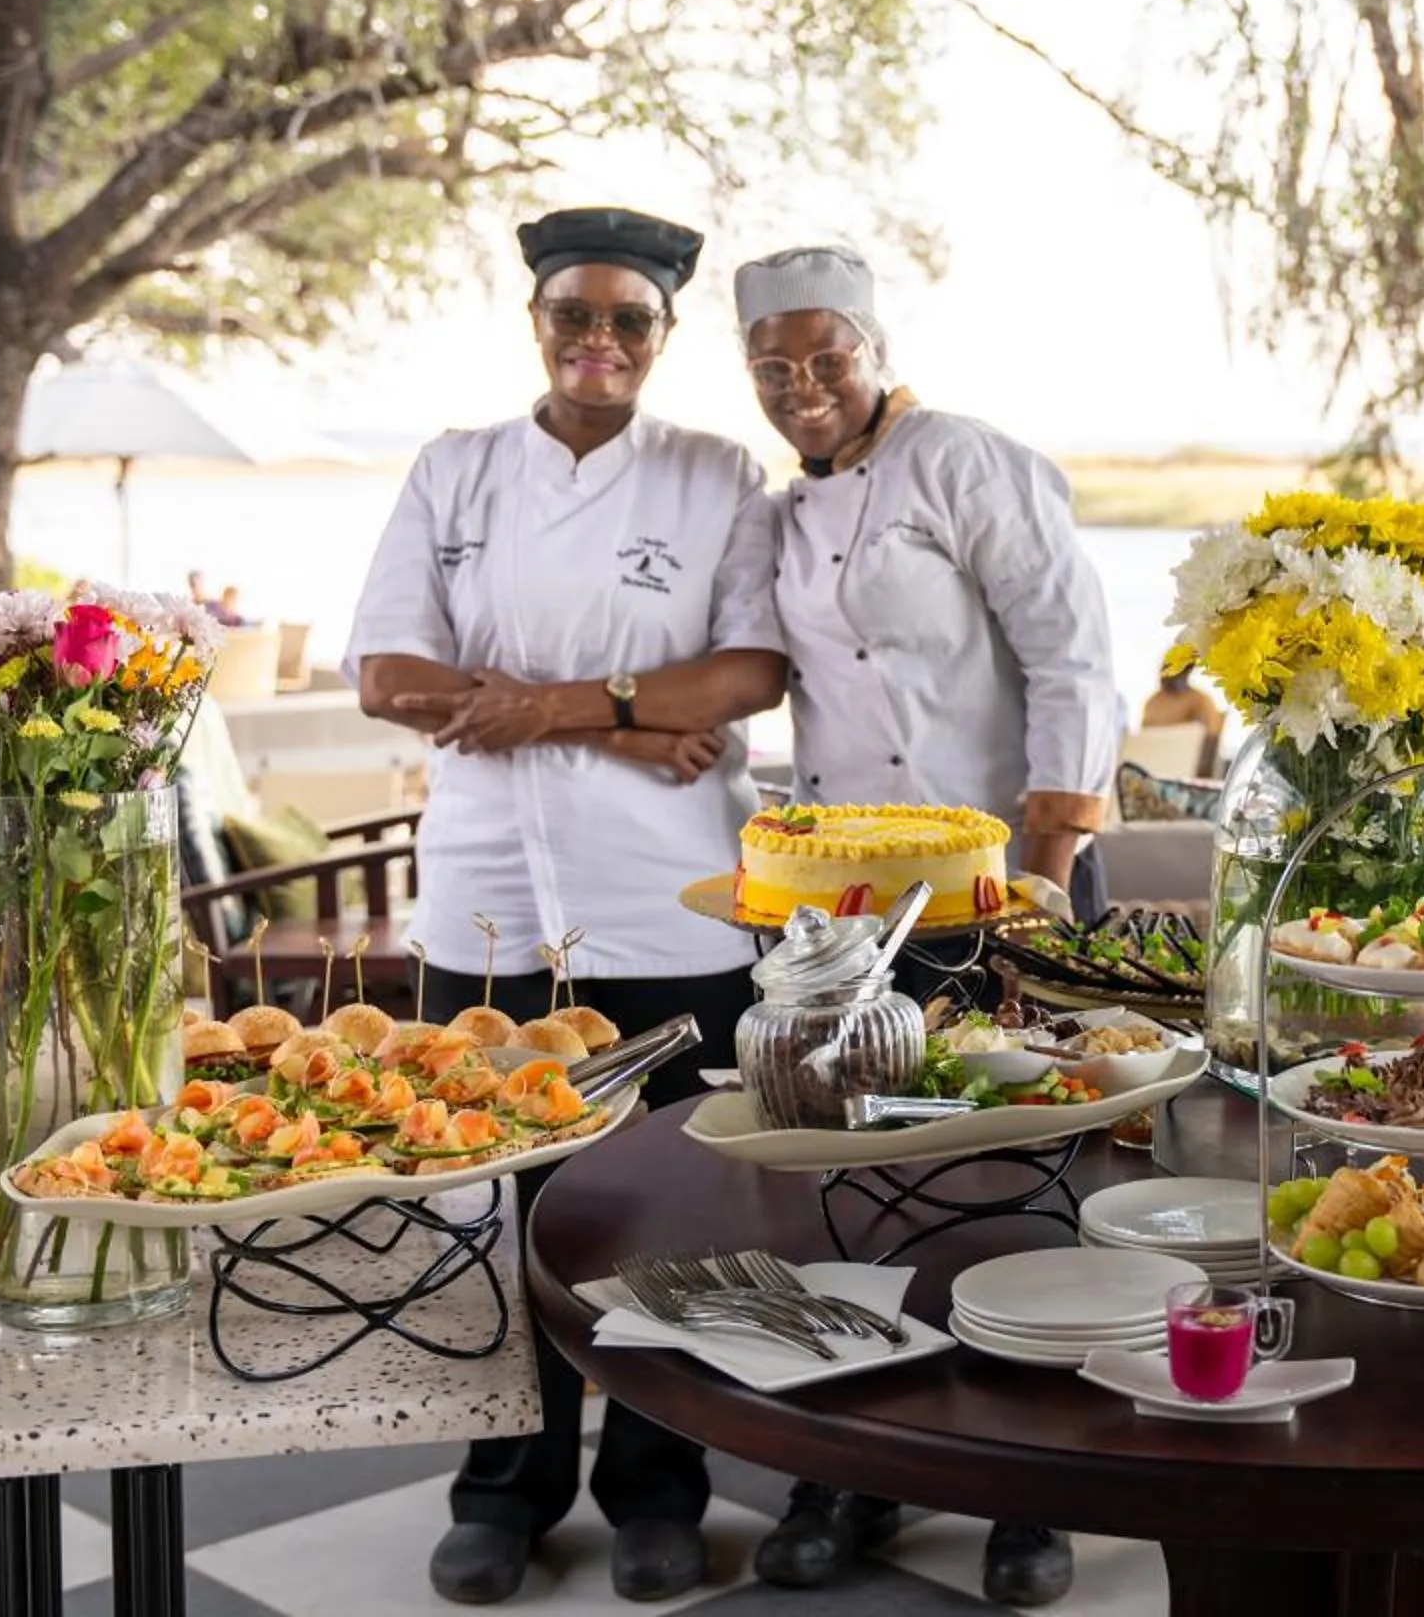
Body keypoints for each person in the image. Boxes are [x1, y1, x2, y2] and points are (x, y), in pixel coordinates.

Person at [344, 205, 785, 1607]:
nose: (599, 341)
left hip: (671, 902)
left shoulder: (717, 474)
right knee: (497, 1200)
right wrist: (614, 723)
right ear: (536, 323)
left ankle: (659, 1487)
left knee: (668, 1207)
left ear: (661, 336)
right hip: (484, 900)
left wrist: (554, 704)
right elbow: (385, 677)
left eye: (629, 321)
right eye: (573, 315)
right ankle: (502, 1490)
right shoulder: (457, 470)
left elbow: (748, 676)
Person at [732, 244, 1117, 1609]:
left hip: (1002, 887)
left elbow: (1073, 653)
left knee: (1014, 1182)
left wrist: (1054, 861)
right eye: (771, 369)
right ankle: (850, 1469)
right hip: (843, 911)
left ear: (875, 344)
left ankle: (1026, 1483)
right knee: (847, 1185)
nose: (803, 387)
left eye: (825, 356)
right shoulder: (785, 510)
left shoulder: (966, 459)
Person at [1140, 655, 1226, 776]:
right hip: (1151, 770)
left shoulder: (1200, 701)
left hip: (1184, 773)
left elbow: (1211, 742)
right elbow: (1144, 739)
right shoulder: (1152, 702)